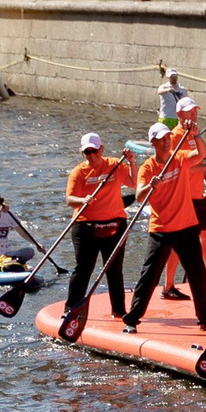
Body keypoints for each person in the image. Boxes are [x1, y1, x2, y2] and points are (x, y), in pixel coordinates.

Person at [125, 123, 206, 332]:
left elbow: (202, 153)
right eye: (161, 139)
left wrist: (196, 133)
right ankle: (132, 319)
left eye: (168, 138)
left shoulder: (179, 157)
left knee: (197, 274)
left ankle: (205, 319)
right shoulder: (148, 168)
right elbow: (140, 196)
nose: (167, 141)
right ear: (153, 143)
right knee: (149, 276)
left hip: (186, 227)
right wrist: (151, 185)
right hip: (161, 230)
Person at [64, 132, 135, 324]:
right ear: (82, 153)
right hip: (86, 226)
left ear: (101, 149)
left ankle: (119, 310)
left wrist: (132, 163)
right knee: (84, 268)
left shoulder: (114, 164)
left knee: (114, 269)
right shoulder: (79, 172)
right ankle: (71, 309)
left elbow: (133, 183)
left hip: (114, 225)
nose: (91, 155)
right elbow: (70, 200)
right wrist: (82, 200)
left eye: (94, 151)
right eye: (86, 152)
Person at [171, 99, 206, 290]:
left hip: (197, 194)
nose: (194, 115)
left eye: (195, 111)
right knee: (177, 243)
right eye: (190, 112)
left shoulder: (193, 134)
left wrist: (204, 170)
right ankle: (168, 285)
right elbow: (180, 169)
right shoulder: (174, 136)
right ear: (179, 114)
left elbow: (195, 160)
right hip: (183, 195)